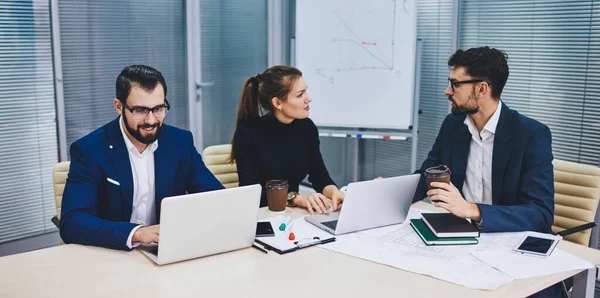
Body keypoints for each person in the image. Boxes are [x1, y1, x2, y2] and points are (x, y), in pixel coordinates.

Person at [60, 65, 224, 250]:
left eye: (158, 109)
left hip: (167, 250)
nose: (151, 120)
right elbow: (72, 223)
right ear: (119, 106)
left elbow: (216, 197)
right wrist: (137, 233)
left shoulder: (180, 142)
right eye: (140, 110)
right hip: (113, 253)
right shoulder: (89, 150)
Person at [413, 47, 554, 234]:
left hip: (509, 241)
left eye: (455, 84)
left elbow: (540, 214)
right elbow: (427, 176)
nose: (447, 91)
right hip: (460, 235)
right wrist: (389, 190)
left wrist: (472, 210)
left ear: (481, 89)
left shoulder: (531, 135)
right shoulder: (453, 125)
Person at [230, 65, 344, 215]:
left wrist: (334, 191)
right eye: (300, 95)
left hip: (292, 214)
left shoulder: (306, 127)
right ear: (277, 103)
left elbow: (319, 175)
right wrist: (295, 198)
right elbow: (251, 192)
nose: (308, 98)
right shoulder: (248, 133)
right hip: (262, 214)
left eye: (306, 91)